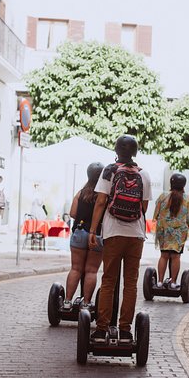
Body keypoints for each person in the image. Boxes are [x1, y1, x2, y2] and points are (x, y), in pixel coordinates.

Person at [88, 135, 152, 344]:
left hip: (113, 232)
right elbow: (143, 208)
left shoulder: (109, 171)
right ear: (135, 152)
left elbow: (100, 202)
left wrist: (92, 230)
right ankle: (125, 330)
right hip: (136, 235)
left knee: (108, 281)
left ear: (116, 150)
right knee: (130, 284)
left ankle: (101, 329)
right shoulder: (144, 175)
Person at [62, 162, 105, 311]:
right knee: (91, 271)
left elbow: (73, 213)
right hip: (97, 235)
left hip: (79, 232)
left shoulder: (81, 193)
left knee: (75, 268)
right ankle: (86, 303)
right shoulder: (104, 195)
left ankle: (67, 301)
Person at [153, 173, 189, 289]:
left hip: (164, 231)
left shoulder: (163, 196)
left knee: (164, 255)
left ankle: (160, 282)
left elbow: (156, 215)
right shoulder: (187, 199)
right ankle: (173, 282)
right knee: (176, 257)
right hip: (179, 233)